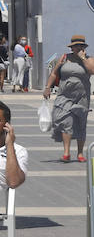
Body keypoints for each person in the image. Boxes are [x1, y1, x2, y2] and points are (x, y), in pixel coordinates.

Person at [44, 34, 93, 162]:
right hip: (64, 95)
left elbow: (92, 71)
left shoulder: (88, 59)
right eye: (76, 46)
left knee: (80, 123)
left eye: (81, 46)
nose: (78, 48)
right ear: (72, 47)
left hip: (82, 96)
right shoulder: (64, 58)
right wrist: (47, 87)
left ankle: (80, 153)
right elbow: (54, 72)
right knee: (65, 121)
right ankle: (66, 153)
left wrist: (83, 59)